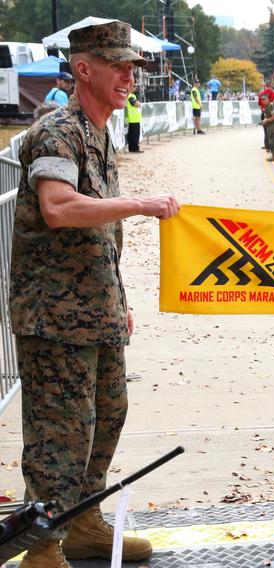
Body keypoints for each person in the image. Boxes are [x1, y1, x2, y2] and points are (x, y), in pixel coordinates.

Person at [10, 20, 180, 566]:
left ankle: (82, 521)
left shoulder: (98, 131)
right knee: (59, 432)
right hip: (54, 315)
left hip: (94, 311)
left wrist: (119, 300)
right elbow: (60, 207)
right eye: (119, 65)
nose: (130, 76)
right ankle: (41, 546)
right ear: (84, 68)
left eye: (134, 67)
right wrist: (140, 204)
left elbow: (99, 234)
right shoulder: (57, 131)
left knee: (106, 416)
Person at [261, 92, 274, 162]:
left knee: (273, 141)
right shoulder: (266, 106)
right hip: (270, 126)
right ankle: (273, 156)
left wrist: (266, 120)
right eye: (262, 100)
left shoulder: (271, 105)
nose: (263, 101)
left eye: (264, 99)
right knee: (271, 141)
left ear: (268, 99)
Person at [125, 85, 142, 153]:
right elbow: (136, 104)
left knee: (133, 135)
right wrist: (139, 103)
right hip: (133, 119)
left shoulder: (131, 96)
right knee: (134, 135)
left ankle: (133, 148)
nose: (135, 88)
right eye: (134, 86)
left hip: (133, 119)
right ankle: (134, 149)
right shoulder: (130, 96)